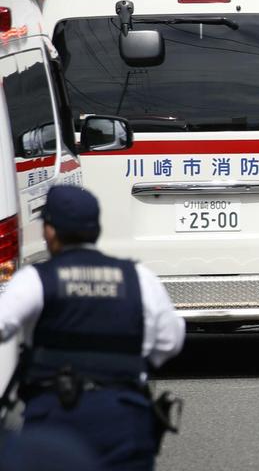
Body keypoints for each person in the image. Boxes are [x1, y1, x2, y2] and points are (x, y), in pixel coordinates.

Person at [0, 185, 185, 470]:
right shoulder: (138, 277)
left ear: (50, 231)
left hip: (54, 417)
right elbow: (170, 342)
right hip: (124, 416)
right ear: (96, 228)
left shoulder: (36, 280)